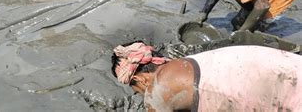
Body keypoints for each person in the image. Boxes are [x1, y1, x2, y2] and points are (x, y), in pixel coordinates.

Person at [111, 41, 301, 111]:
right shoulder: (193, 63)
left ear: (139, 79)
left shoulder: (161, 85)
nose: (141, 96)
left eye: (137, 92)